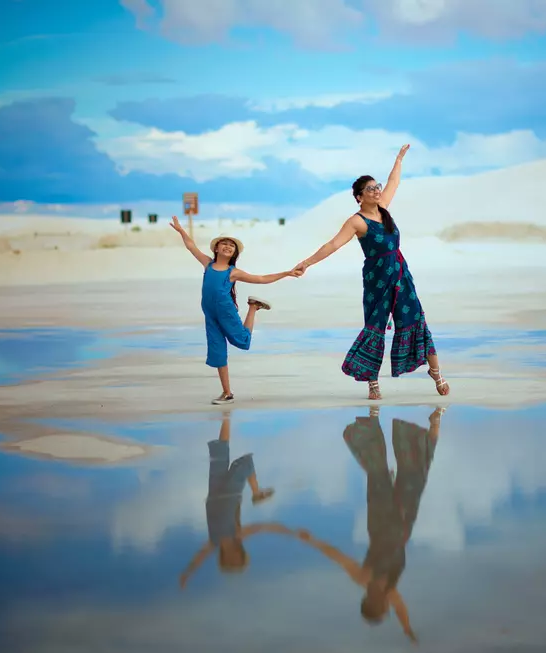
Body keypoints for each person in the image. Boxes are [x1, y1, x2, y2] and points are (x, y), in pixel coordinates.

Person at [292, 145, 450, 401]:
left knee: (417, 321)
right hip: (377, 280)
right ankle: (373, 383)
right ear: (358, 197)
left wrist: (398, 159)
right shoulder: (356, 221)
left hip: (401, 276)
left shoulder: (384, 208)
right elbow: (332, 244)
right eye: (371, 189)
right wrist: (307, 263)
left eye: (377, 187)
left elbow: (394, 181)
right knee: (375, 328)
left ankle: (436, 373)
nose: (377, 191)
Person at [291, 406, 445, 642]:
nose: (387, 605)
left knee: (378, 472)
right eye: (387, 608)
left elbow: (336, 556)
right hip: (402, 522)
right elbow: (401, 607)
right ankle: (435, 422)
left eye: (382, 608)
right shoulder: (390, 589)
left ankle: (371, 422)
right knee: (416, 473)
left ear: (372, 603)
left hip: (380, 518)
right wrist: (408, 630)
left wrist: (311, 540)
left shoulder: (364, 578)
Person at [171, 216, 301, 405]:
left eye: (232, 246)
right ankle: (227, 393)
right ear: (216, 248)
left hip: (225, 311)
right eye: (224, 243)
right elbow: (191, 246)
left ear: (234, 253)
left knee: (242, 341)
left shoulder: (233, 272)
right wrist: (182, 231)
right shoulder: (207, 264)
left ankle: (253, 308)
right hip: (210, 314)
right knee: (217, 353)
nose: (227, 247)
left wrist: (287, 273)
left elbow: (261, 278)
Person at [179, 411, 288, 587]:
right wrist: (289, 532)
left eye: (231, 561)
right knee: (245, 463)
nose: (233, 557)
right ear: (241, 553)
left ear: (224, 560)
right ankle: (256, 492)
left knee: (221, 450)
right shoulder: (239, 535)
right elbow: (261, 528)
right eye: (237, 559)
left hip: (214, 494)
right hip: (230, 495)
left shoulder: (214, 542)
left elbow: (201, 555)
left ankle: (225, 417)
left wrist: (188, 573)